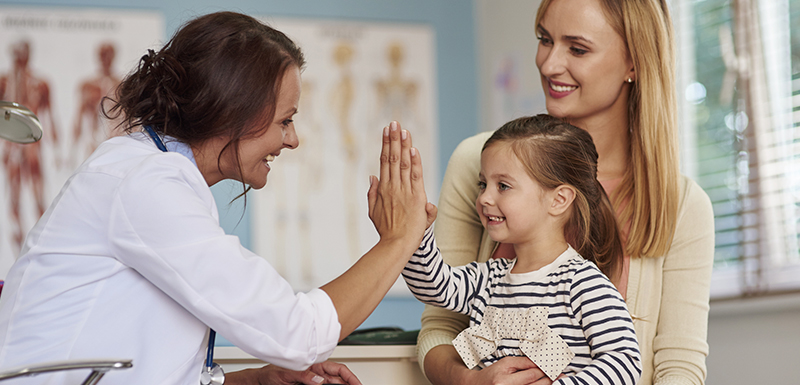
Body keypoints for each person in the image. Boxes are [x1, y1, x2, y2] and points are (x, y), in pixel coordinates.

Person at [0, 12, 435, 385]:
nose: (293, 139)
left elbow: (148, 362)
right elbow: (298, 333)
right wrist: (399, 240)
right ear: (234, 111)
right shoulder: (145, 184)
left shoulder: (154, 174)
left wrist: (252, 379)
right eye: (286, 121)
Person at [416, 0, 716, 384]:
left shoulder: (682, 206)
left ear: (633, 63)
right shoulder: (478, 163)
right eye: (545, 39)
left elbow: (679, 368)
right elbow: (441, 323)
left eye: (577, 48)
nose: (548, 64)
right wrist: (471, 381)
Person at [404, 115, 641, 384]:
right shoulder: (487, 279)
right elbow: (432, 286)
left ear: (559, 200)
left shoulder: (583, 283)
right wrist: (413, 233)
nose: (484, 198)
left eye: (503, 186)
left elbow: (624, 362)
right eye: (483, 184)